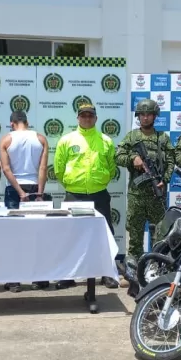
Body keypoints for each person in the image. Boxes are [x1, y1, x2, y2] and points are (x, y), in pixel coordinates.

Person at [54, 102, 119, 289]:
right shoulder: (67, 140)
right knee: (70, 235)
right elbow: (58, 168)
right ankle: (68, 275)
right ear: (78, 118)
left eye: (90, 115)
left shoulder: (105, 140)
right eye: (83, 115)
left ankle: (107, 274)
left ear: (96, 118)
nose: (87, 118)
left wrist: (101, 179)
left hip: (99, 194)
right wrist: (71, 183)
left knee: (105, 234)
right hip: (74, 194)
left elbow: (111, 167)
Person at [115, 98, 174, 270]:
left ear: (155, 116)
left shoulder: (162, 138)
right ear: (138, 116)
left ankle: (155, 269)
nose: (146, 118)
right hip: (137, 196)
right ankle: (133, 271)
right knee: (135, 235)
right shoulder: (132, 136)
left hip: (158, 195)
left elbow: (171, 162)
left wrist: (165, 179)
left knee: (159, 237)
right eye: (142, 114)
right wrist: (133, 158)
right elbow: (118, 157)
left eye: (149, 114)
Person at [0, 110, 50, 292]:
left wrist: (20, 192)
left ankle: (14, 280)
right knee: (37, 235)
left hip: (14, 189)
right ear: (27, 122)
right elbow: (43, 168)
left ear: (12, 123)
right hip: (35, 187)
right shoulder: (41, 138)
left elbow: (6, 169)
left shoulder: (6, 139)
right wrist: (39, 193)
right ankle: (40, 279)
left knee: (14, 236)